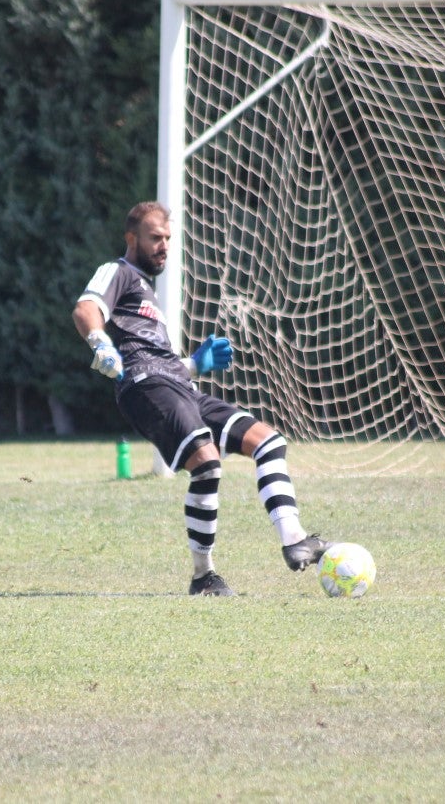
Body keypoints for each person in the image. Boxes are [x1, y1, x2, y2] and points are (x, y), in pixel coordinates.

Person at [73, 201, 331, 596]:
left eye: (167, 239)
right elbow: (86, 308)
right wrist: (100, 343)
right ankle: (203, 576)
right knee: (207, 463)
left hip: (177, 384)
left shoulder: (148, 292)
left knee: (268, 442)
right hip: (145, 386)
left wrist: (193, 364)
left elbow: (157, 355)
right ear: (131, 239)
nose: (163, 246)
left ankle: (294, 539)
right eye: (154, 238)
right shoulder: (119, 272)